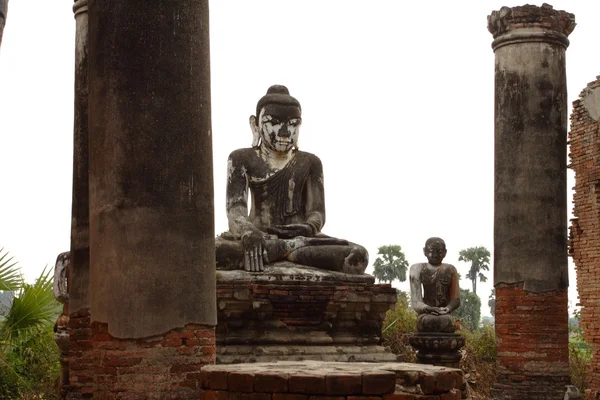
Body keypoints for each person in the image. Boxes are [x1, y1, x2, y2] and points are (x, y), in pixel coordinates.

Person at [215, 85, 368, 274]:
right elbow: (235, 209)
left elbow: (317, 213)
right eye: (274, 122)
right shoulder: (241, 158)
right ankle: (287, 251)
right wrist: (248, 231)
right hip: (258, 237)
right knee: (212, 253)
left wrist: (306, 228)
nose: (285, 132)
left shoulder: (310, 162)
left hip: (303, 238)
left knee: (357, 255)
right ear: (256, 125)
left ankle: (280, 251)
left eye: (294, 123)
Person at [409, 237, 461, 333]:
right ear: (424, 251)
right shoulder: (417, 269)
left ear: (445, 252)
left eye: (440, 251)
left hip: (444, 314)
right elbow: (416, 301)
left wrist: (447, 308)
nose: (435, 255)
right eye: (431, 251)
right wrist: (428, 308)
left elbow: (456, 299)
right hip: (426, 314)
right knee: (428, 322)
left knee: (447, 322)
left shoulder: (450, 269)